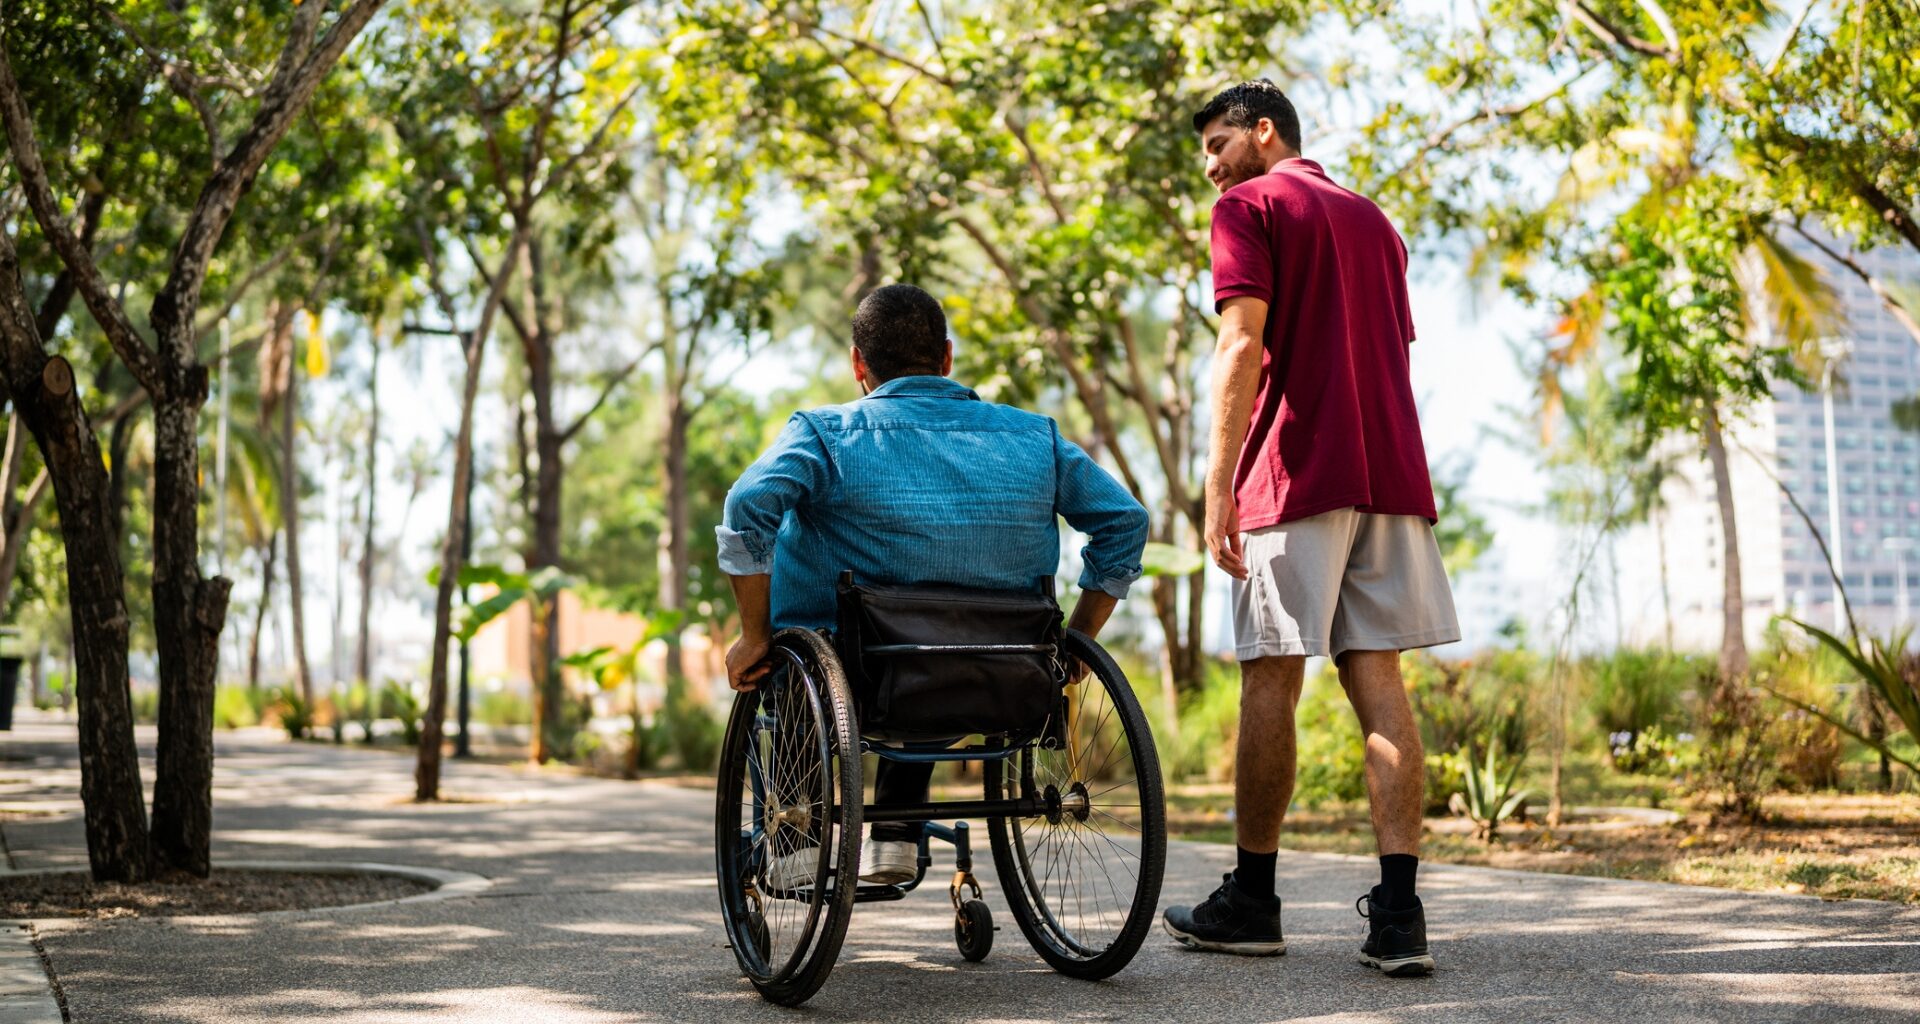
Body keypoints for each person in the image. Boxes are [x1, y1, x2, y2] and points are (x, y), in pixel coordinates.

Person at [1161, 80, 1460, 978]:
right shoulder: (1376, 221)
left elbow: (1241, 346)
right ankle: (1399, 917)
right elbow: (1385, 353)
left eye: (1219, 144)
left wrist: (1218, 493)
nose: (1212, 168)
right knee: (1379, 683)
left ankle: (1253, 899)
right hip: (1390, 479)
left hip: (1295, 477)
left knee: (1270, 680)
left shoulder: (1250, 208)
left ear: (1265, 133)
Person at [717, 283, 1149, 889]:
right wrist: (1073, 644)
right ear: (946, 358)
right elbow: (1125, 521)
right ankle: (896, 833)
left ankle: (795, 842)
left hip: (857, 670)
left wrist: (754, 635)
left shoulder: (826, 433)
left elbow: (749, 506)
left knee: (816, 657)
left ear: (857, 364)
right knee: (923, 659)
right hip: (1004, 666)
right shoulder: (1035, 438)